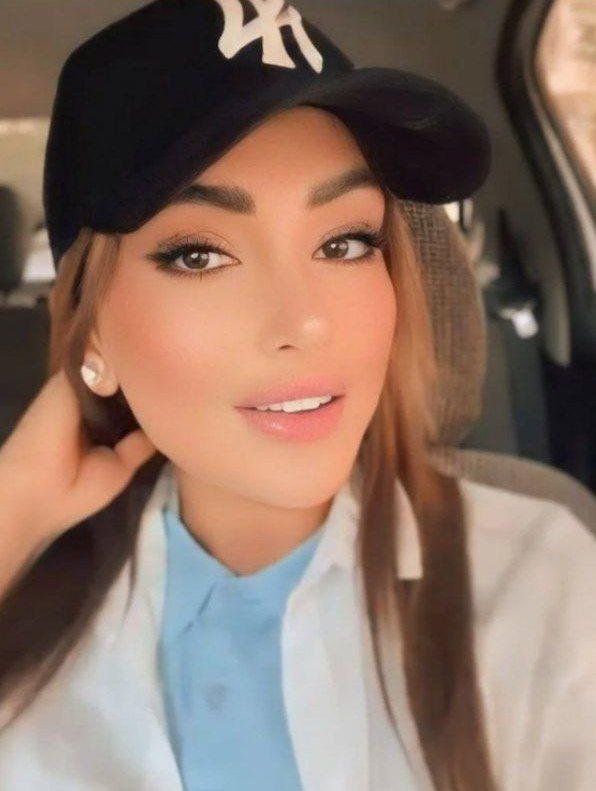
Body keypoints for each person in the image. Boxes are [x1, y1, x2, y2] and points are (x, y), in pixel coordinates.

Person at [0, 1, 595, 789]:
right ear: (91, 334)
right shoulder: (24, 581)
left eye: (345, 243)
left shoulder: (542, 582)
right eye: (199, 256)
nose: (307, 322)